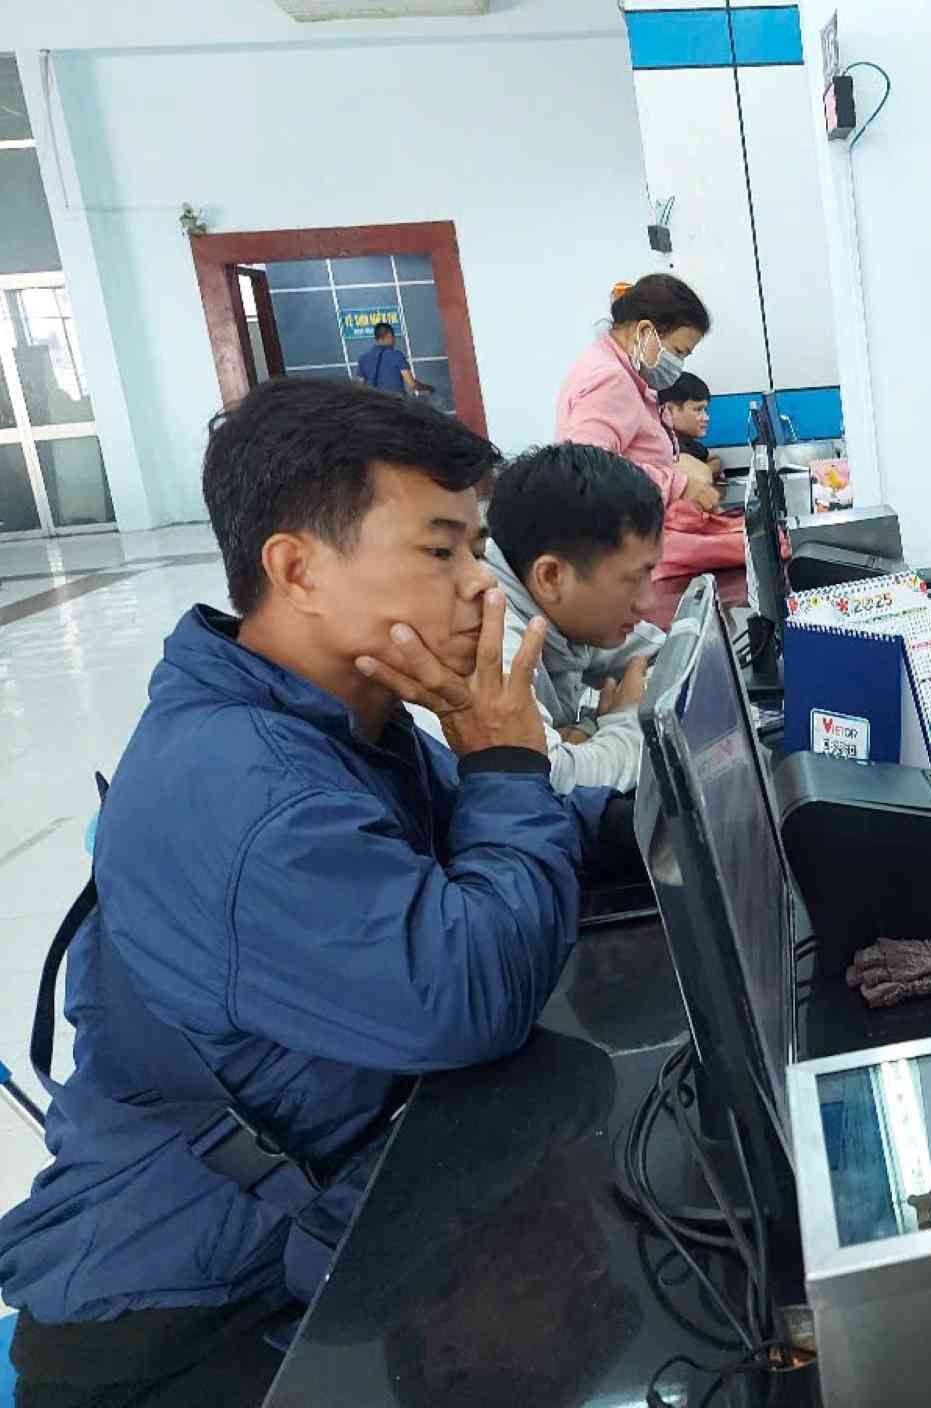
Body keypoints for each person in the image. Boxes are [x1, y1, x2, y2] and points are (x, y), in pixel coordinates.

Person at [0, 378, 620, 1407]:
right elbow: (466, 991)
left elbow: (470, 836)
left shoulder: (331, 717)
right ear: (296, 567)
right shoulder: (251, 790)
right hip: (178, 1318)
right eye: (440, 549)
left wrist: (645, 820)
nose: (479, 587)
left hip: (305, 1231)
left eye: (477, 547)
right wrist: (506, 765)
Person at [483, 442, 667, 795]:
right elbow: (551, 783)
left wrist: (586, 733)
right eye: (633, 578)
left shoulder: (572, 613)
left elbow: (672, 657)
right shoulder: (488, 639)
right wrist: (627, 719)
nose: (648, 602)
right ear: (551, 577)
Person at [556, 275, 743, 578]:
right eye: (678, 352)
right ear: (644, 331)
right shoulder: (610, 379)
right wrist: (679, 486)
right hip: (622, 546)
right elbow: (586, 470)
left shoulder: (625, 375)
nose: (679, 364)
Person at [353, 321, 433, 398]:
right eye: (394, 337)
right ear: (389, 336)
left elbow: (359, 386)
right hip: (396, 406)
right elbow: (412, 384)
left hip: (374, 406)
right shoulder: (397, 355)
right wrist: (428, 388)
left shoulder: (363, 358)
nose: (394, 340)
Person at [659, 371, 713, 465]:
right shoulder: (663, 446)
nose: (706, 418)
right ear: (669, 410)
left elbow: (715, 460)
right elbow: (701, 478)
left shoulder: (687, 442)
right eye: (698, 409)